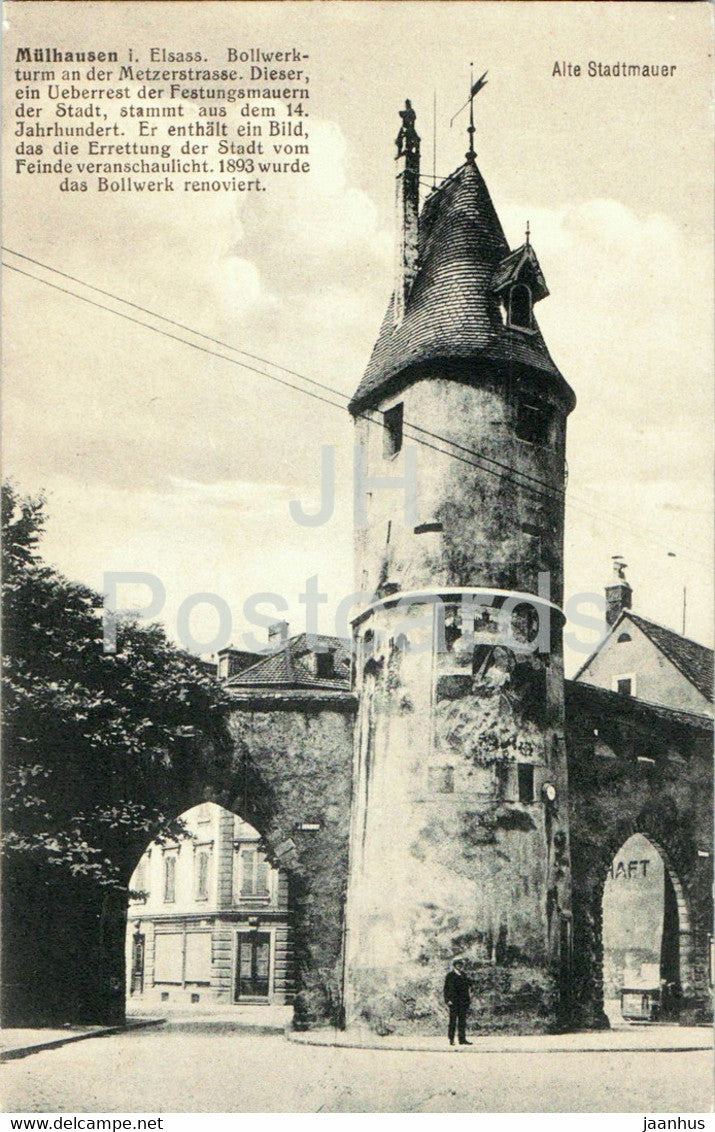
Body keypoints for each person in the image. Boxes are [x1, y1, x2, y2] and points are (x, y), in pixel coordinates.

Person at [444, 957, 472, 1045]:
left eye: (460, 965)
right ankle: (451, 1039)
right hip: (453, 1002)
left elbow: (469, 986)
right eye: (457, 964)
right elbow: (446, 989)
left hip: (463, 1002)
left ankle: (462, 1039)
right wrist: (447, 1000)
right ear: (454, 966)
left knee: (462, 1021)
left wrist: (468, 999)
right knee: (453, 1021)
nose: (459, 966)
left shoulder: (464, 975)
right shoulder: (450, 975)